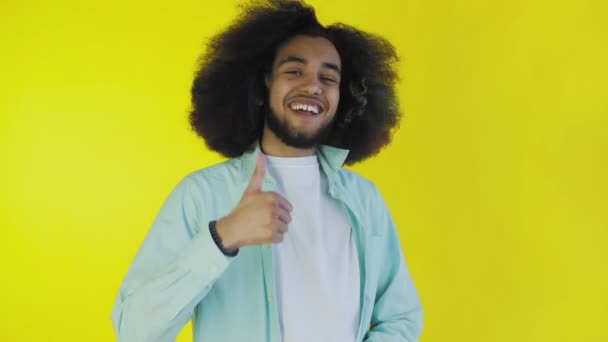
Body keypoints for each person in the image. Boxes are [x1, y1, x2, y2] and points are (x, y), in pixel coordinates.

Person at [111, 1, 423, 341]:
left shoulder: (365, 199)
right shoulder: (202, 195)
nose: (313, 86)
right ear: (263, 85)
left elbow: (401, 317)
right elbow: (134, 330)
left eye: (328, 77)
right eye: (294, 71)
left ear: (342, 96)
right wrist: (222, 238)